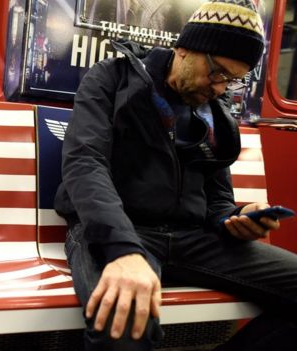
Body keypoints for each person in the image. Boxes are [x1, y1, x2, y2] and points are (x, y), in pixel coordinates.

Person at [54, 0, 297, 350]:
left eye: (232, 80)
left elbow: (218, 199)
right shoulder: (112, 78)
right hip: (119, 228)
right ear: (183, 49)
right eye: (217, 72)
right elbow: (84, 163)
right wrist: (123, 250)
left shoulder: (213, 109)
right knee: (123, 323)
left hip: (191, 238)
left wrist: (234, 219)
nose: (219, 88)